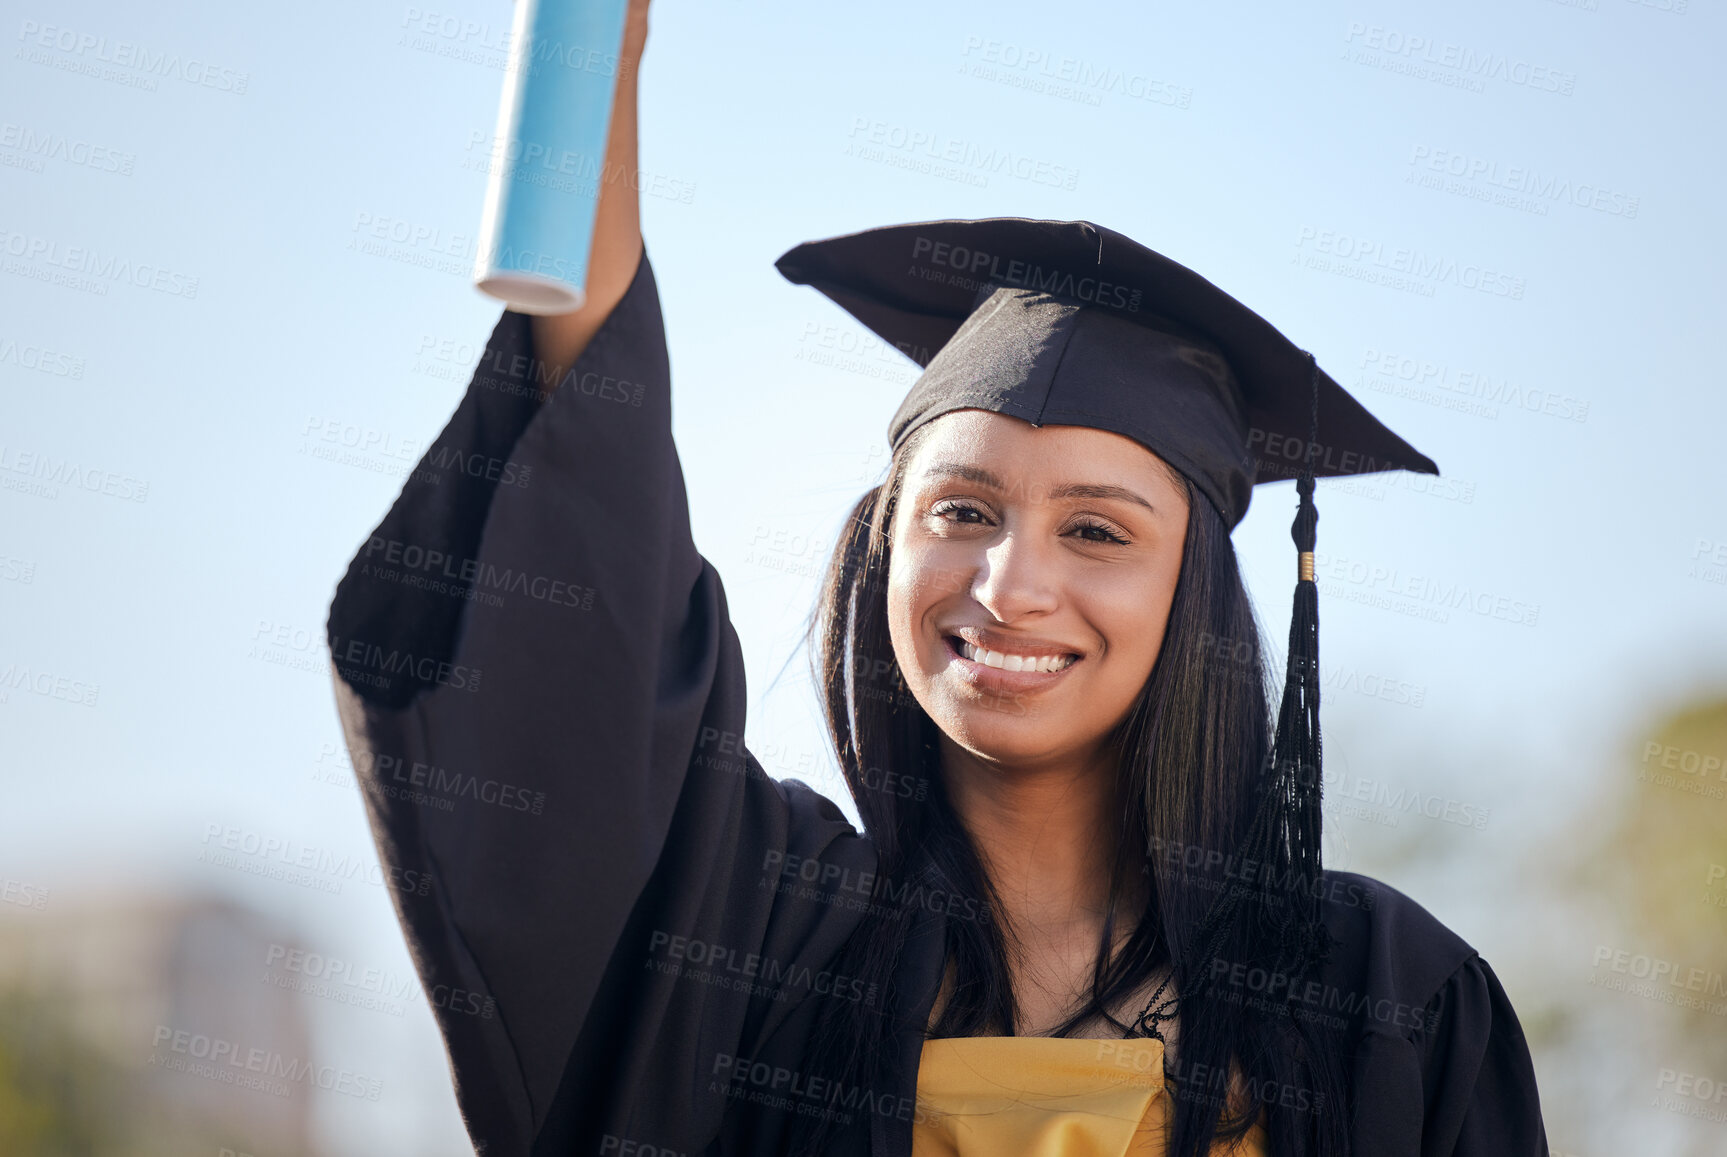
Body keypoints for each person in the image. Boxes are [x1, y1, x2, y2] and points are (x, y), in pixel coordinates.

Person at [324, 3, 1549, 1154]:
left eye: (1098, 532)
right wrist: (597, 48)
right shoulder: (760, 937)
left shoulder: (1380, 997)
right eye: (961, 510)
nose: (1009, 584)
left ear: (1195, 596)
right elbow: (583, 580)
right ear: (882, 543)